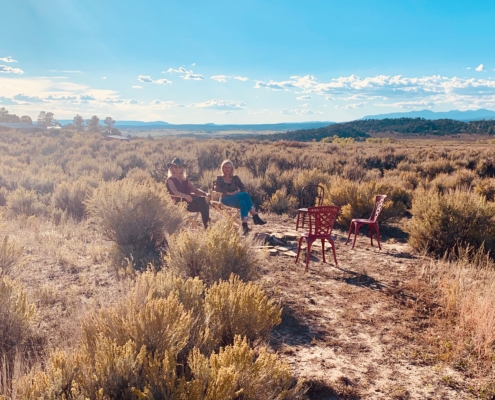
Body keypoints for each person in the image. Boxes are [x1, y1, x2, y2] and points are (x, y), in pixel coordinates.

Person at [214, 159, 266, 234]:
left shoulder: (235, 178)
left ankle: (245, 227)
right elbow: (216, 189)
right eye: (225, 167)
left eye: (229, 167)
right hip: (225, 200)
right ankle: (255, 215)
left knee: (243, 202)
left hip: (235, 199)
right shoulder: (219, 178)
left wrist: (238, 193)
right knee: (244, 195)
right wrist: (230, 193)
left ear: (232, 168)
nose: (227, 169)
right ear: (222, 168)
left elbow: (243, 188)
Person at [166, 158, 210, 229]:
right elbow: (174, 191)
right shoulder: (170, 179)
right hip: (180, 202)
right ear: (172, 168)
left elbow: (195, 190)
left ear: (182, 168)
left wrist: (205, 194)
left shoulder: (184, 179)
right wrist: (185, 196)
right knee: (204, 205)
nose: (178, 168)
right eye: (175, 166)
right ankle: (207, 227)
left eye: (180, 166)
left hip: (190, 200)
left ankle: (207, 226)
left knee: (203, 201)